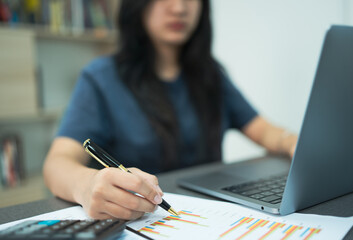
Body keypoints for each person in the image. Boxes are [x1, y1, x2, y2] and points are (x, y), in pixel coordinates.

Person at [43, 0, 297, 221]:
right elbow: (57, 163)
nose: (179, 8)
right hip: (141, 220)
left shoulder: (211, 75)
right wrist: (86, 185)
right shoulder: (100, 78)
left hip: (214, 218)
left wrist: (292, 142)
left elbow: (262, 130)